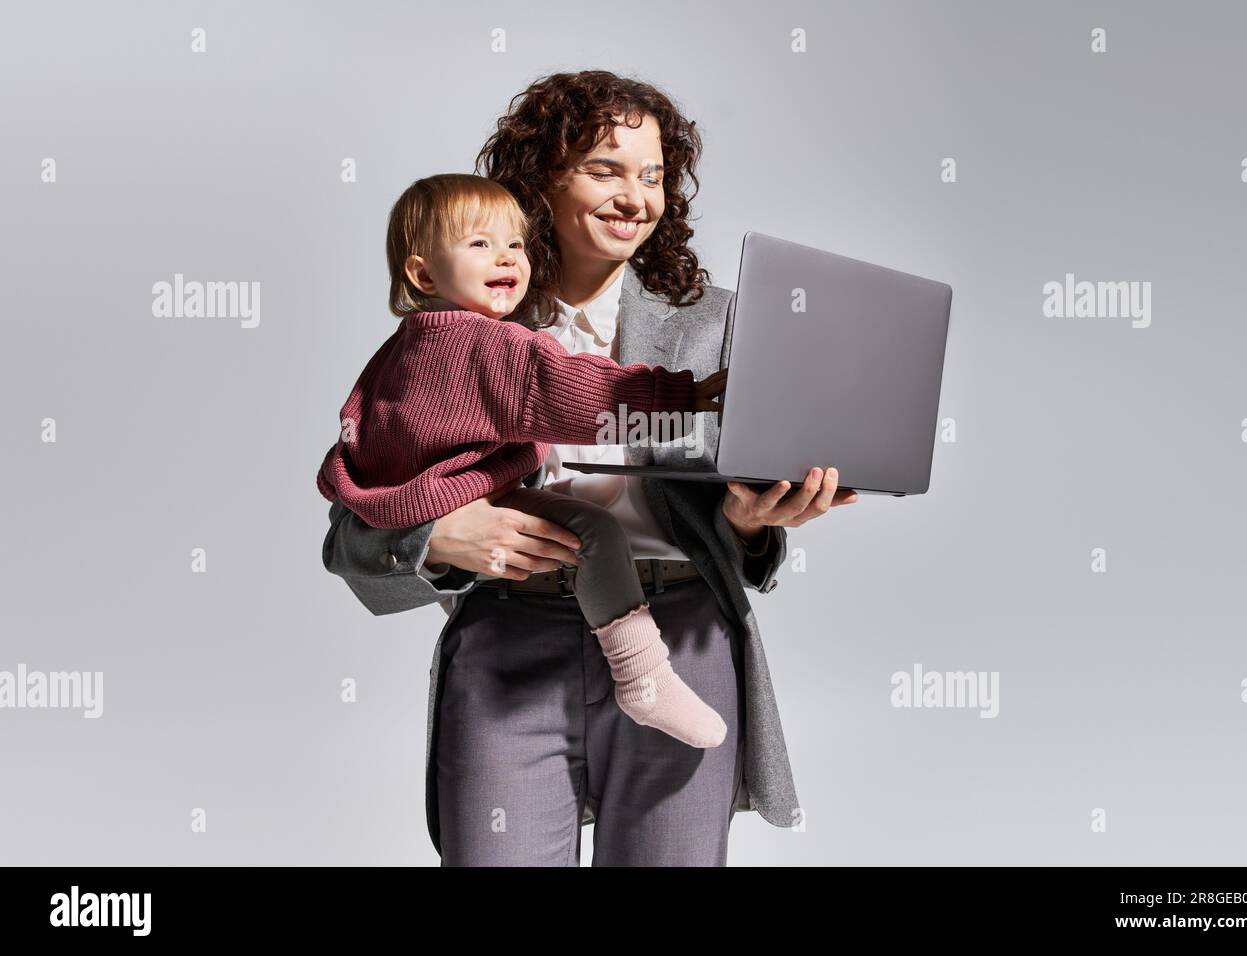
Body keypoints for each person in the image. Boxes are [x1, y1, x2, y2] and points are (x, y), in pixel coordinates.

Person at [321, 70, 857, 865]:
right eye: (605, 169)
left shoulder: (721, 324)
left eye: (653, 175)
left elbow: (737, 517)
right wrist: (438, 535)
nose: (635, 196)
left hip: (681, 644)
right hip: (508, 644)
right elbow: (353, 533)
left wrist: (750, 524)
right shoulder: (458, 327)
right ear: (539, 178)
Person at [317, 172, 730, 749]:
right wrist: (677, 396)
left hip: (415, 497)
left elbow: (359, 433)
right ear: (422, 273)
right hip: (470, 525)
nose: (507, 257)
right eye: (480, 244)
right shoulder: (497, 344)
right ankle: (645, 675)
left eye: (515, 243)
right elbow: (573, 391)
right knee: (595, 529)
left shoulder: (400, 347)